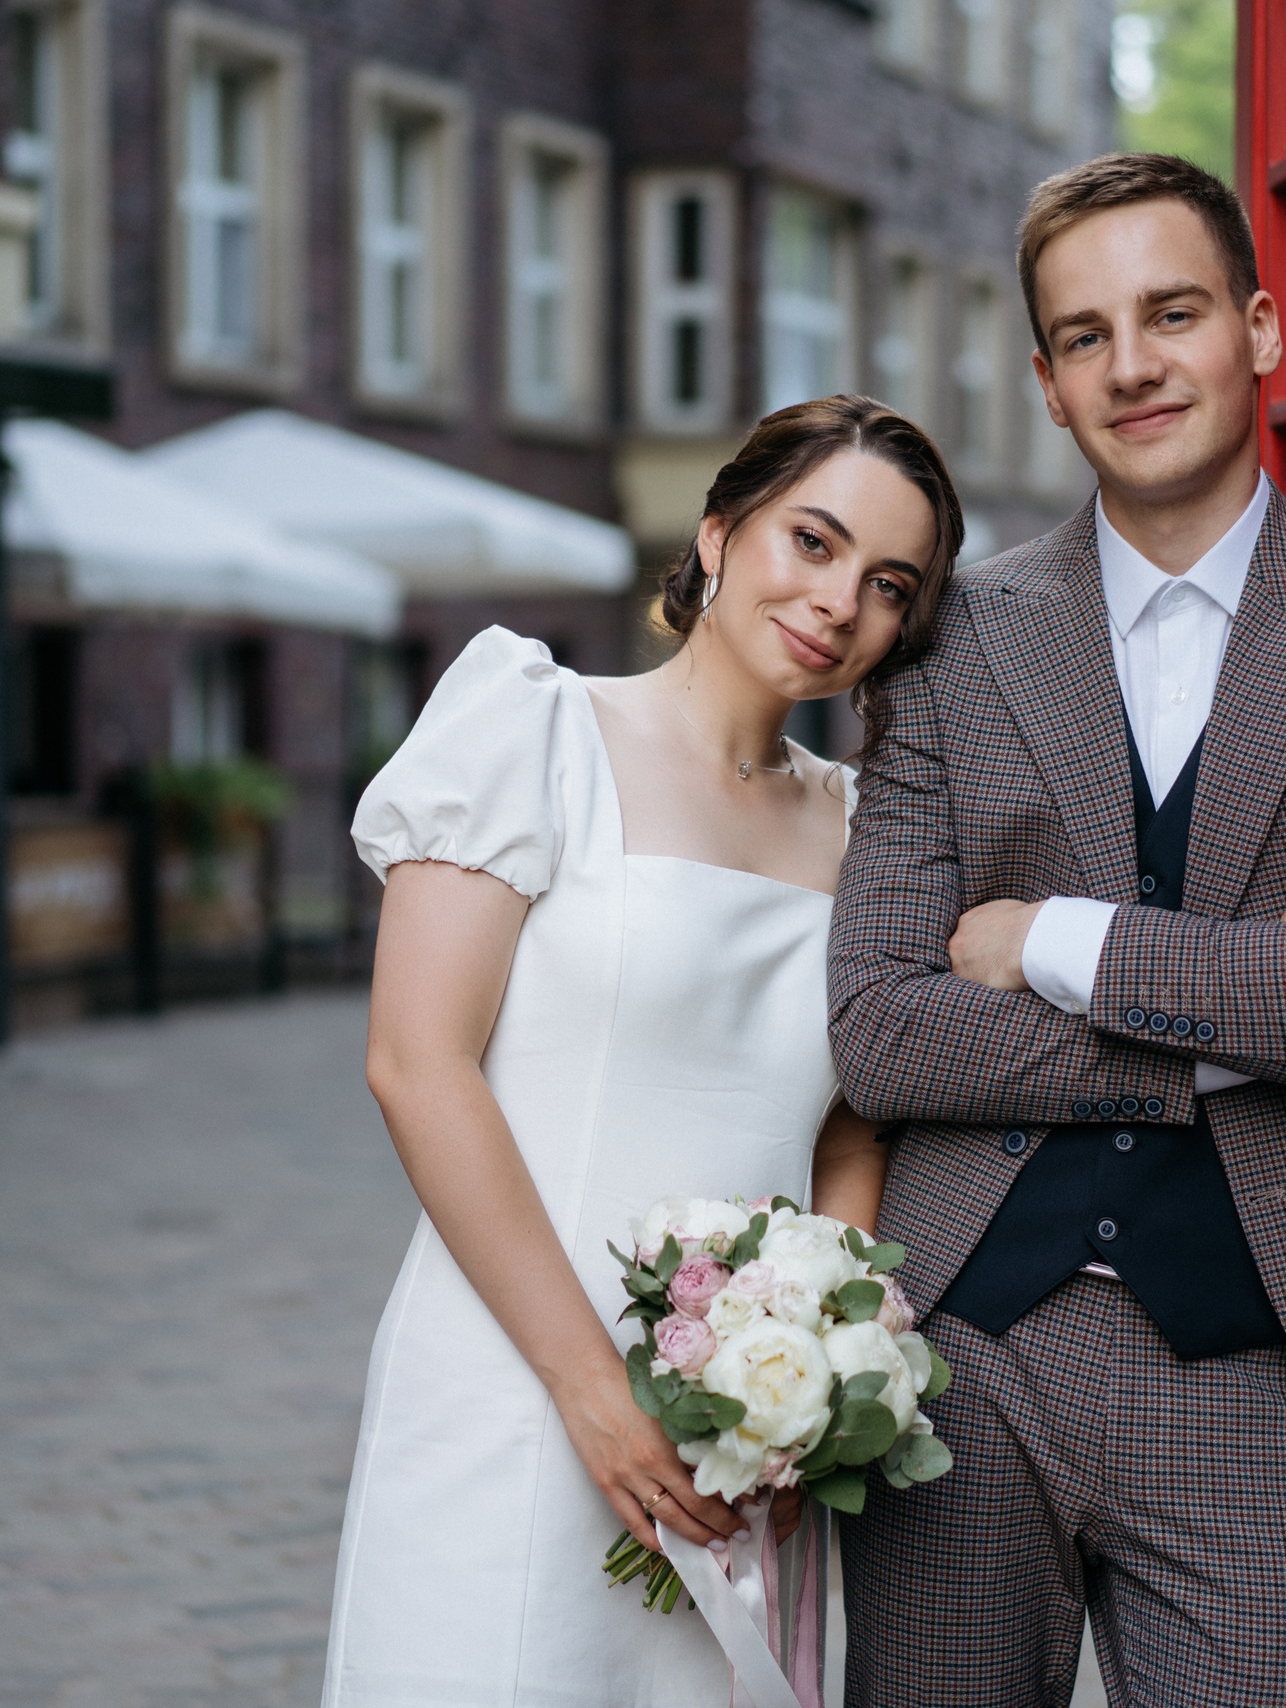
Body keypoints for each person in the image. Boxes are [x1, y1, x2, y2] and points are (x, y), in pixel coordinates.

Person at [827, 153, 1286, 1707]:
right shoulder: (954, 641)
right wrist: (1255, 1011)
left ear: (1263, 332)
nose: (1132, 365)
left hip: (1268, 1364)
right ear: (1051, 388)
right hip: (962, 1356)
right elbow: (882, 1023)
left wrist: (1062, 938)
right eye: (1083, 335)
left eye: (1172, 312)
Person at [322, 396, 958, 1707]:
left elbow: (850, 1127)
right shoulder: (533, 727)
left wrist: (822, 1373)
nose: (841, 601)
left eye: (888, 584)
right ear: (719, 533)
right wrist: (593, 1392)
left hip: (743, 1445)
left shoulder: (867, 830)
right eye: (814, 541)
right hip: (513, 1383)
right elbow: (417, 1063)